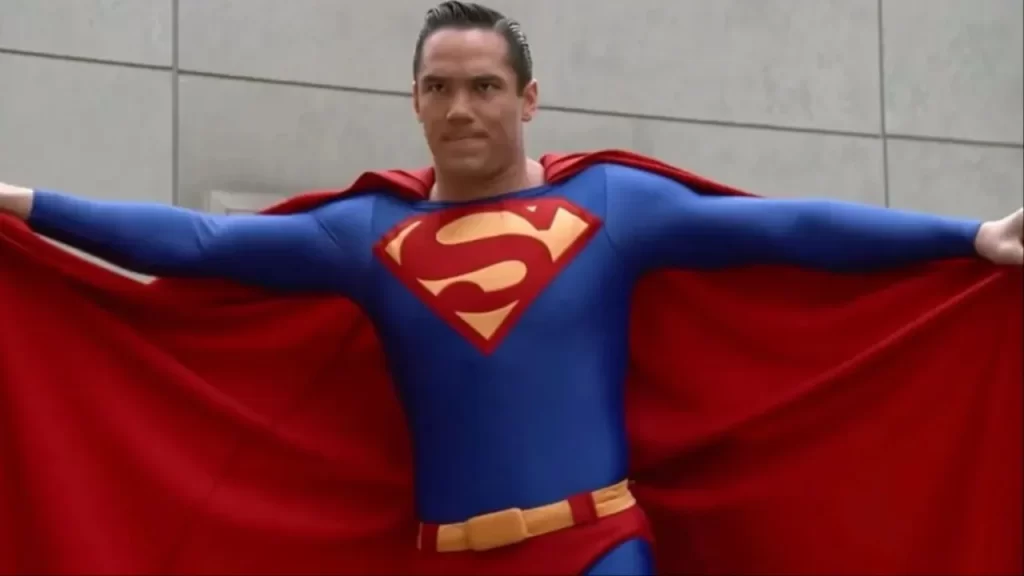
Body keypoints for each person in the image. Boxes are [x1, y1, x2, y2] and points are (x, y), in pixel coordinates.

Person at [1, 2, 1021, 574]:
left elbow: (788, 228)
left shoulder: (614, 206)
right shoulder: (366, 235)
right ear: (414, 100)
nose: (461, 108)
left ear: (528, 98)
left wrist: (969, 236)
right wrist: (22, 202)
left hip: (594, 551)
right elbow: (195, 242)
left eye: (484, 86)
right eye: (439, 87)